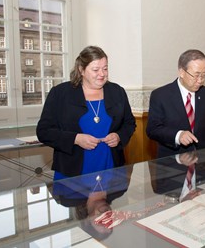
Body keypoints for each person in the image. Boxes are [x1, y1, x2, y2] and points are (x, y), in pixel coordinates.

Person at [37, 46, 136, 179]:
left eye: (105, 68)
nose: (102, 74)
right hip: (72, 171)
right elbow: (44, 131)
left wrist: (119, 136)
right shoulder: (60, 93)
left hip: (111, 167)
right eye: (95, 69)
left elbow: (129, 123)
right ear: (81, 70)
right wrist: (75, 139)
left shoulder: (117, 92)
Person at [146, 49, 205, 159]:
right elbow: (153, 129)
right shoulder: (160, 95)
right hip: (172, 164)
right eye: (196, 75)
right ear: (182, 72)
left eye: (204, 75)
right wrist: (178, 136)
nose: (200, 80)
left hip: (202, 163)